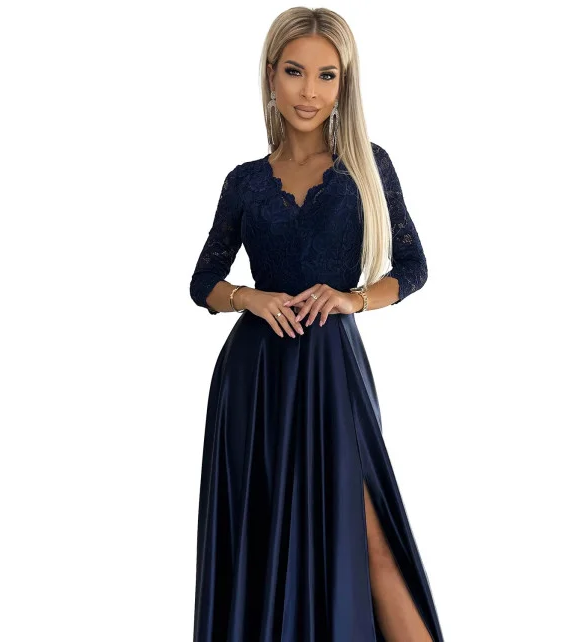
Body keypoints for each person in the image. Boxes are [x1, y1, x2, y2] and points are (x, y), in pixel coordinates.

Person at [189, 8, 444, 641]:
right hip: (256, 381)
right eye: (294, 71)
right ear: (270, 75)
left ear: (344, 83)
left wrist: (354, 299)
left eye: (327, 75)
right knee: (263, 544)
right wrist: (249, 298)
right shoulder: (244, 182)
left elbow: (413, 267)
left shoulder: (367, 166)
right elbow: (203, 282)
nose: (310, 91)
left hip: (331, 374)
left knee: (369, 539)